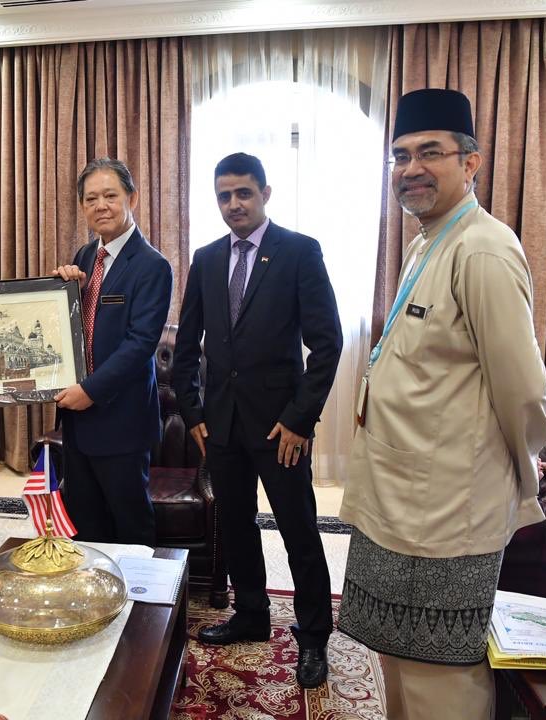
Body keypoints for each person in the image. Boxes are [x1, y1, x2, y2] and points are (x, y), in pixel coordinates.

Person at [336, 88, 546, 719]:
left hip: (446, 511)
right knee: (397, 657)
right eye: (401, 156)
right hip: (398, 497)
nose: (412, 168)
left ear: (471, 162)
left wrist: (520, 476)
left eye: (430, 152)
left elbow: (522, 390)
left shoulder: (483, 249)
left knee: (441, 674)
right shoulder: (426, 241)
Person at [173, 152, 342, 688]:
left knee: (298, 528)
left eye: (243, 193)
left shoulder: (299, 251)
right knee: (237, 524)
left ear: (265, 194)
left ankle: (313, 635)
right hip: (221, 424)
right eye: (224, 195)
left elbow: (327, 344)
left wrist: (300, 420)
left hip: (280, 428)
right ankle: (250, 613)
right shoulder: (206, 258)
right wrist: (193, 412)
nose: (233, 204)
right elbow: (186, 346)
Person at [53, 158, 172, 546]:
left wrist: (89, 391)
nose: (100, 206)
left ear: (131, 199)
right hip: (77, 421)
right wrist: (61, 295)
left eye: (110, 196)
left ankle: (137, 588)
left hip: (121, 419)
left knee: (130, 524)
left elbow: (140, 344)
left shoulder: (152, 266)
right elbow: (72, 328)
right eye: (91, 199)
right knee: (85, 523)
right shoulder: (85, 256)